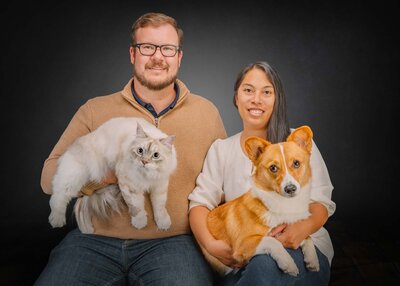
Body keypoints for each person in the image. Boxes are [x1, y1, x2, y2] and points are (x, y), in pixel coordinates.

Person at [36, 12, 226, 286]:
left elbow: (226, 185)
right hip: (94, 241)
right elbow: (48, 177)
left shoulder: (207, 113)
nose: (158, 57)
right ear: (133, 54)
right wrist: (109, 175)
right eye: (147, 47)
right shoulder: (95, 110)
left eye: (168, 49)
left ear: (179, 56)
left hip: (174, 243)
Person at [188, 61, 335, 286]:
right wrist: (211, 245)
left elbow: (322, 204)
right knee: (260, 266)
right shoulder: (221, 149)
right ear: (236, 97)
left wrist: (300, 230)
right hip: (241, 257)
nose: (256, 99)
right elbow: (199, 204)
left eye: (266, 92)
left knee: (265, 266)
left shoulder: (297, 143)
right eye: (248, 90)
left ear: (277, 99)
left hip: (306, 249)